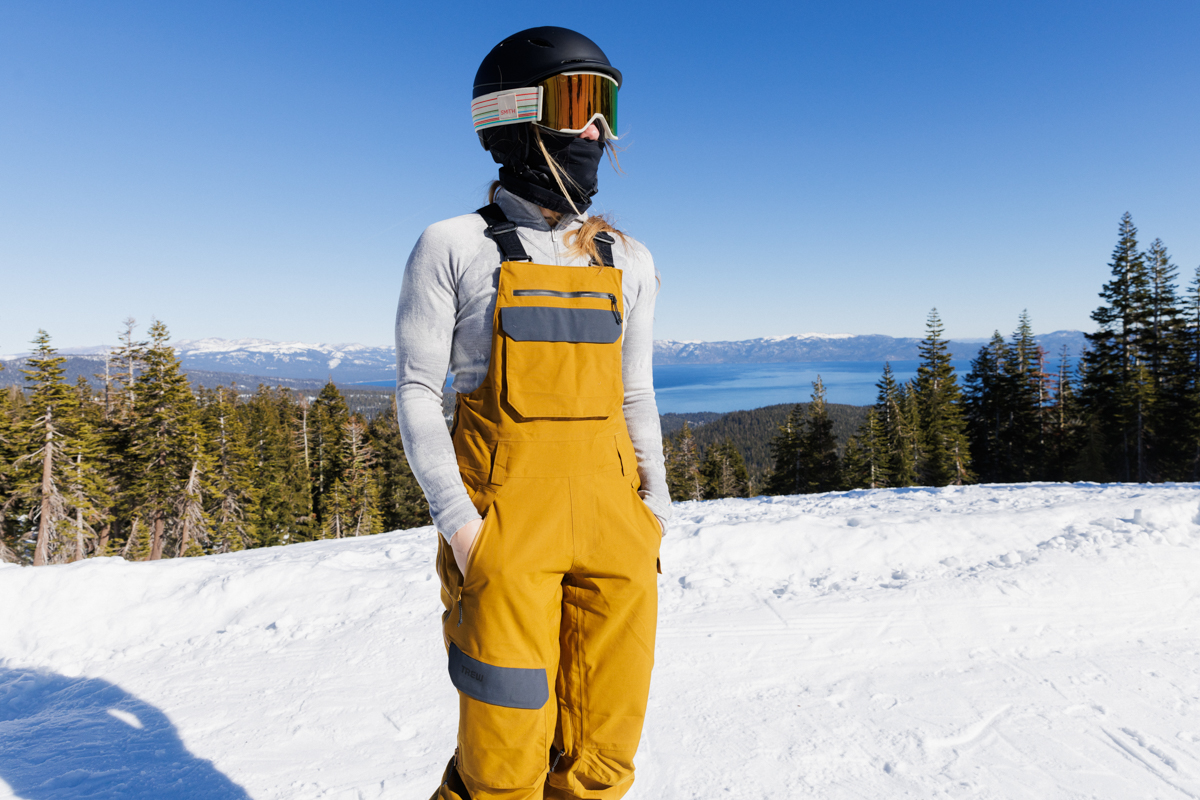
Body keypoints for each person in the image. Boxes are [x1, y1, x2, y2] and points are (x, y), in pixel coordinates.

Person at [394, 25, 670, 800]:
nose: (598, 130)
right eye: (579, 102)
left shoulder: (629, 258)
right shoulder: (454, 245)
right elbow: (417, 391)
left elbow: (635, 393)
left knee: (600, 760)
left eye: (607, 106)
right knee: (502, 767)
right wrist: (463, 529)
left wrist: (654, 510)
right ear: (513, 117)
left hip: (617, 533)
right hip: (506, 536)